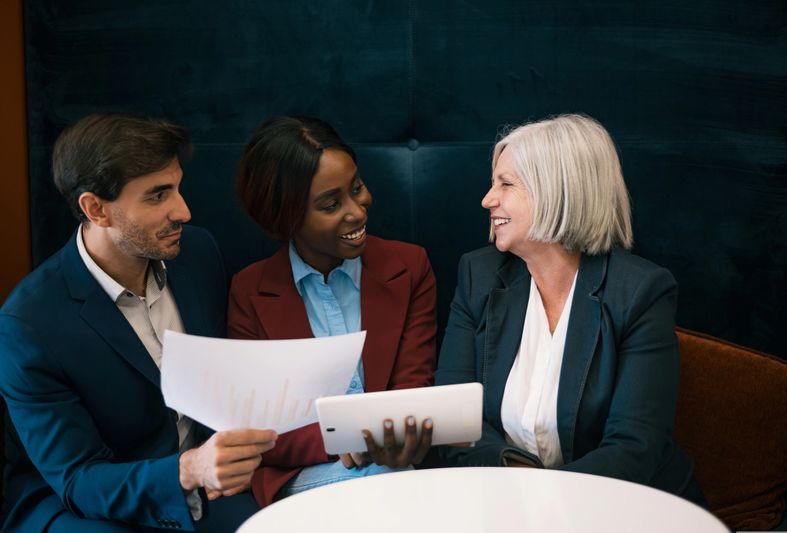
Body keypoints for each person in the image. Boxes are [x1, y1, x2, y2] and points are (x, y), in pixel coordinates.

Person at [0, 113, 277, 532]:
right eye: (157, 196)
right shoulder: (28, 324)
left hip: (202, 488)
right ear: (96, 209)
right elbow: (77, 480)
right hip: (83, 506)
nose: (182, 211)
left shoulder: (199, 254)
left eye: (178, 188)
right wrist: (189, 470)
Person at [435, 114, 704, 503]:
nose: (487, 199)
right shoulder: (478, 275)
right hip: (509, 504)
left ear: (556, 192)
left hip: (626, 509)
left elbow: (634, 447)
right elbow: (453, 417)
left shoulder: (641, 291)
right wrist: (521, 481)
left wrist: (545, 499)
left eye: (506, 184)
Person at [227, 116, 436, 506]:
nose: (357, 211)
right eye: (330, 204)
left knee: (389, 476)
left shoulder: (410, 268)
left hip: (394, 468)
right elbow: (256, 427)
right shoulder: (249, 291)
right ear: (284, 218)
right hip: (307, 470)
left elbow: (413, 386)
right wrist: (339, 440)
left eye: (356, 188)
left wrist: (398, 439)